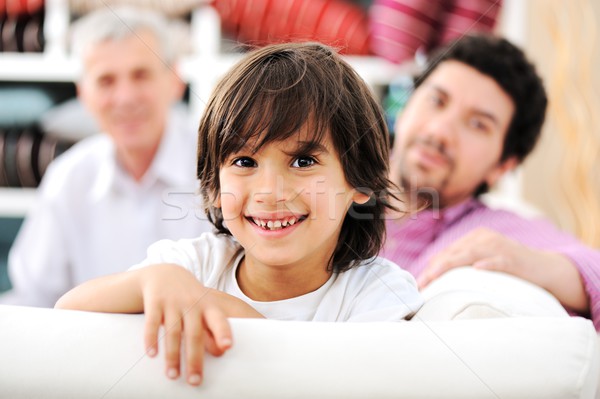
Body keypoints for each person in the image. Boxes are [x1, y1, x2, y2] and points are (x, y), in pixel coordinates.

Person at [55, 42, 423, 386]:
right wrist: (151, 281)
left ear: (360, 181)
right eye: (245, 161)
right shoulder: (193, 265)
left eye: (303, 161)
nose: (270, 191)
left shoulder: (378, 294)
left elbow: (324, 384)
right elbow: (67, 311)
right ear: (214, 188)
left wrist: (230, 312)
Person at [382, 33, 600, 330]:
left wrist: (539, 265)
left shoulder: (493, 231)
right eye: (437, 100)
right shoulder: (327, 182)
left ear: (502, 165)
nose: (440, 132)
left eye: (477, 124)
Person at [0, 7, 212, 307]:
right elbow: (33, 298)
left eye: (141, 76)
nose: (125, 98)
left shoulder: (221, 168)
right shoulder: (69, 176)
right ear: (83, 93)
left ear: (175, 81)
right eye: (106, 81)